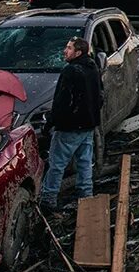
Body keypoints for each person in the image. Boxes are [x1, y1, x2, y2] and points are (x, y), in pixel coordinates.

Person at [40, 36, 103, 211]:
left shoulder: (71, 71)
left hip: (70, 127)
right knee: (84, 162)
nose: (64, 51)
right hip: (88, 125)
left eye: (68, 48)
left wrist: (49, 123)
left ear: (78, 52)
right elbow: (100, 96)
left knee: (57, 164)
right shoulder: (92, 68)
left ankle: (48, 198)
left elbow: (61, 102)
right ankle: (86, 195)